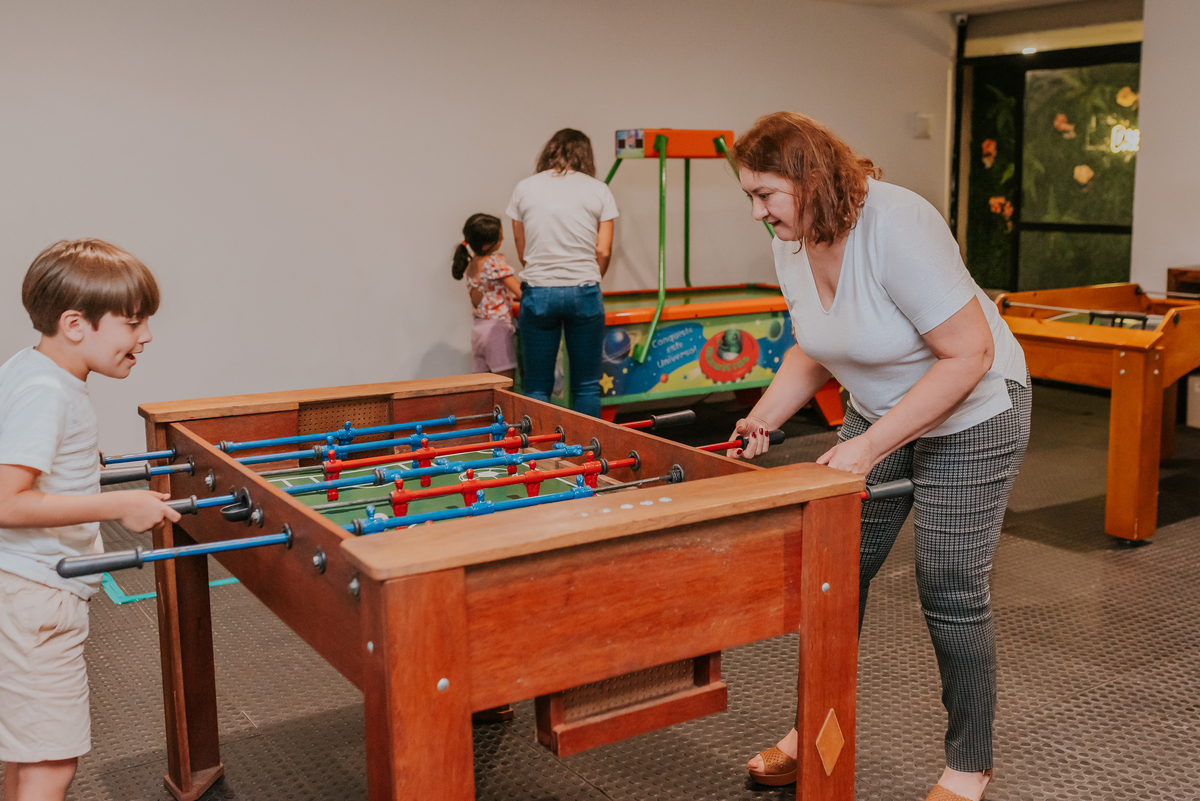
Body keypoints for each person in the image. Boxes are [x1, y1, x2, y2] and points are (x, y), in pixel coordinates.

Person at [729, 113, 1030, 801]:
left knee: (948, 581)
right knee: (832, 572)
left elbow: (970, 354)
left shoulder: (898, 223)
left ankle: (969, 765)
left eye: (766, 194)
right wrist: (763, 416)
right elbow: (817, 344)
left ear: (810, 179)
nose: (757, 212)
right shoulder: (791, 242)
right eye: (750, 195)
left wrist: (866, 447)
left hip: (974, 409)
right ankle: (813, 733)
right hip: (879, 407)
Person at [0, 239, 181, 801]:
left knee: (29, 753)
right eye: (133, 322)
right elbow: (6, 503)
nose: (145, 336)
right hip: (37, 597)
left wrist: (76, 461)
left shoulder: (30, 367)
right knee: (51, 763)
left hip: (22, 590)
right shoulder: (46, 392)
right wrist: (118, 504)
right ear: (75, 325)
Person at [506, 128, 617, 418]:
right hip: (584, 290)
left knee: (536, 385)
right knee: (587, 386)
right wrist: (589, 277)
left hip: (539, 291)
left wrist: (543, 272)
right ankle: (587, 445)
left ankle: (537, 445)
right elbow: (604, 250)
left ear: (549, 151)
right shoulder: (599, 189)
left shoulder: (524, 188)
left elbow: (521, 246)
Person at [452, 213, 522, 380]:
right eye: (500, 237)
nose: (503, 239)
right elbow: (520, 291)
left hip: (478, 330)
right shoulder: (495, 264)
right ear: (487, 245)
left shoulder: (470, 264)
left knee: (483, 386)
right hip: (496, 330)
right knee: (504, 385)